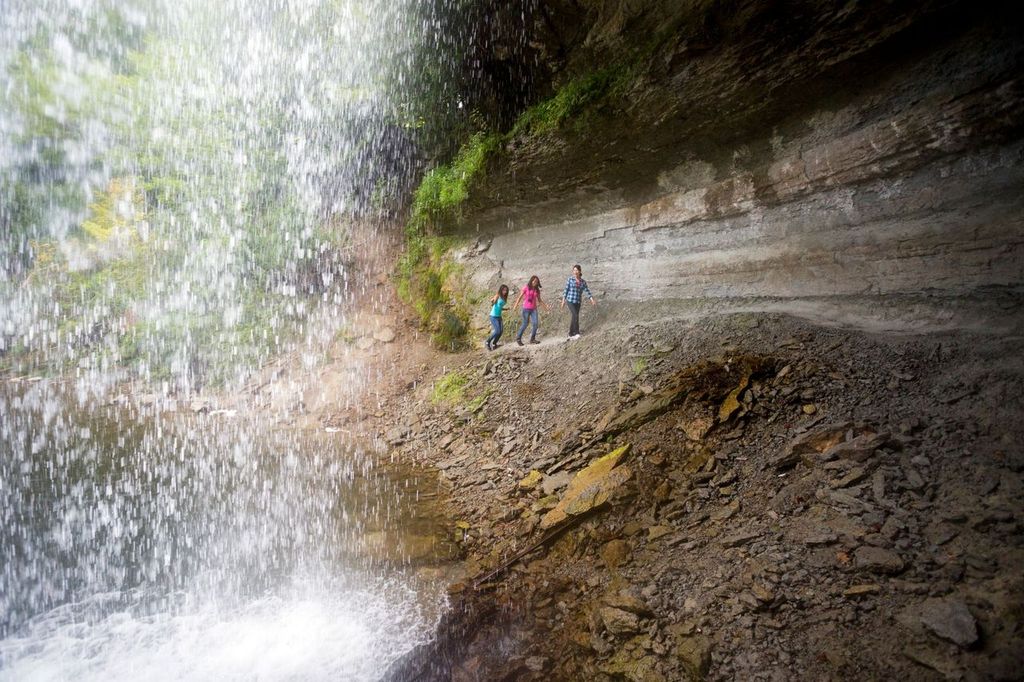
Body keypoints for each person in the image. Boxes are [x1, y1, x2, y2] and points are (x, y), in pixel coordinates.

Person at [560, 264, 597, 339]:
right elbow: (566, 290)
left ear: (580, 271)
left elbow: (587, 291)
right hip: (570, 300)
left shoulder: (583, 282)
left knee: (575, 316)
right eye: (574, 270)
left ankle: (570, 333)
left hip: (578, 302)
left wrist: (592, 299)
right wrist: (563, 301)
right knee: (575, 315)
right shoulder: (570, 279)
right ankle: (576, 332)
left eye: (576, 270)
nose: (575, 272)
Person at [512, 275, 549, 346]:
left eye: (537, 282)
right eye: (534, 281)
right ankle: (518, 338)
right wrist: (515, 306)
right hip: (526, 308)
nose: (535, 283)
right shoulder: (526, 287)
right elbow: (520, 297)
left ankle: (532, 339)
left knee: (535, 323)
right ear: (531, 281)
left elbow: (540, 300)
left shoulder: (537, 290)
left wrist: (545, 307)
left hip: (533, 309)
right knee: (525, 323)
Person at [485, 284, 509, 350]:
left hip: (499, 316)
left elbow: (499, 307)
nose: (505, 292)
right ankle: (487, 342)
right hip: (493, 316)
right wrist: (492, 300)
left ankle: (494, 343)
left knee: (501, 331)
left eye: (506, 290)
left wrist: (506, 309)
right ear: (501, 290)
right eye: (504, 290)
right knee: (497, 331)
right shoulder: (497, 295)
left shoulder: (504, 298)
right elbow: (492, 302)